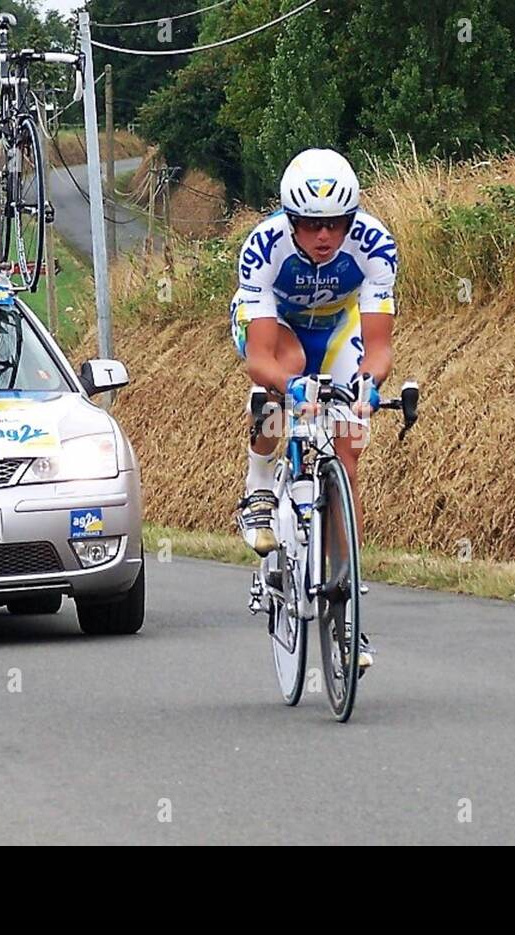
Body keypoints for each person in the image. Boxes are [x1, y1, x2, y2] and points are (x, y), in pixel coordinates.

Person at [229, 148, 398, 669]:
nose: (324, 237)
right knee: (286, 378)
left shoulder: (375, 245)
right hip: (274, 323)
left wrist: (369, 385)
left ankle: (347, 609)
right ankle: (259, 485)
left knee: (347, 450)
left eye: (335, 225)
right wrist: (292, 386)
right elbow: (260, 358)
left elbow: (380, 346)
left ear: (352, 220)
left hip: (339, 324)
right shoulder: (264, 247)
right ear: (290, 220)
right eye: (310, 225)